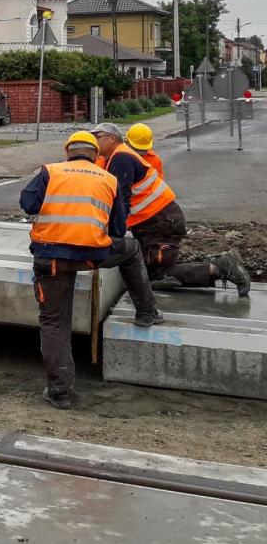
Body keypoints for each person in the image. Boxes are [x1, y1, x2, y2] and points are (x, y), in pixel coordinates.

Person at [20, 131, 164, 409]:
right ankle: (146, 311)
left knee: (54, 323)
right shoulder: (107, 178)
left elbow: (27, 204)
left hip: (52, 258)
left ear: (68, 152)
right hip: (91, 255)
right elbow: (119, 229)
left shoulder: (50, 171)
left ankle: (59, 391)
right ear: (96, 155)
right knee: (131, 249)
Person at [93, 122, 250, 296]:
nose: (94, 142)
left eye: (97, 137)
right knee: (149, 271)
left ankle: (221, 267)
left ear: (111, 138)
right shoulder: (115, 157)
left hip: (160, 222)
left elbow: (122, 198)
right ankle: (216, 268)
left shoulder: (121, 157)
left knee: (158, 275)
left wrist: (115, 232)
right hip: (156, 221)